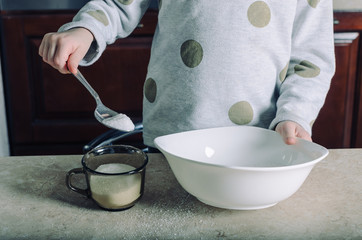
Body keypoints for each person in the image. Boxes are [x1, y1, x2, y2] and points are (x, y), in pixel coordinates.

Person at [39, 0, 335, 148]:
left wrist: (295, 114)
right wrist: (85, 30)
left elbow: (310, 59)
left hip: (258, 143)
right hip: (172, 137)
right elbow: (118, 5)